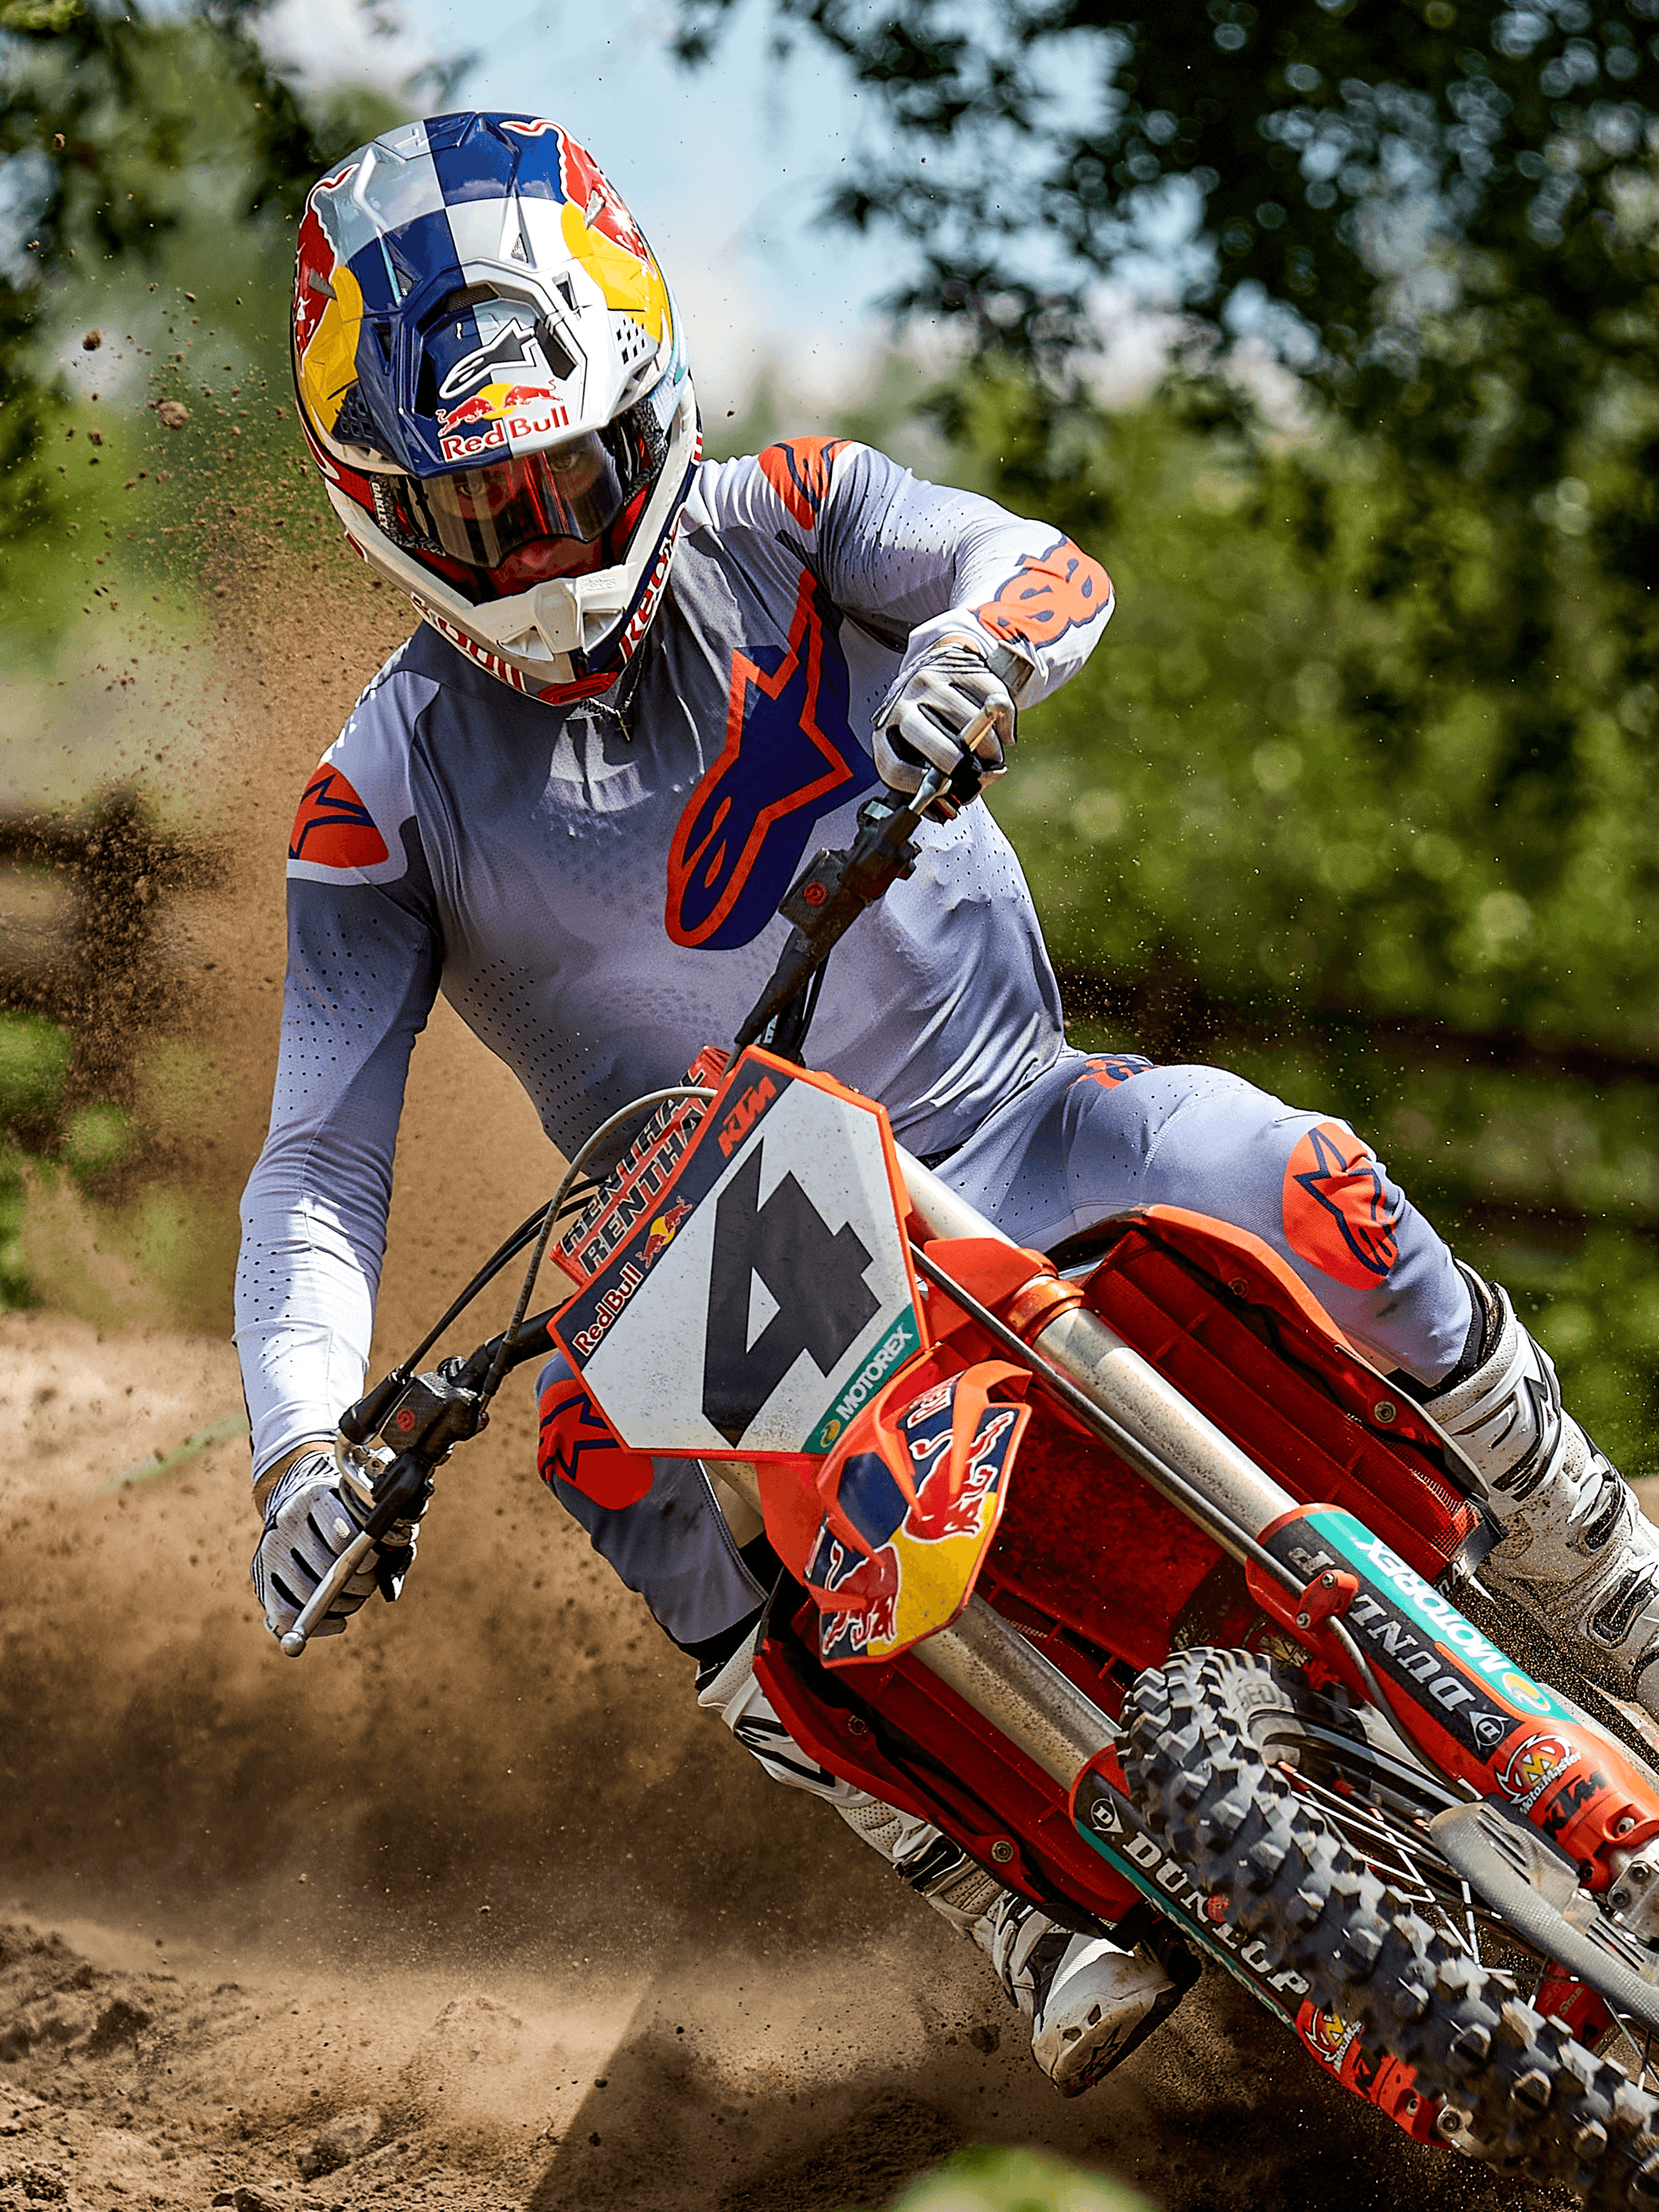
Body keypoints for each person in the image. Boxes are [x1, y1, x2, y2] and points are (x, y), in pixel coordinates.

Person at [241, 111, 1659, 2096]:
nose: (544, 551)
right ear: (377, 505)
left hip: (1020, 1109)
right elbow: (319, 1149)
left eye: (568, 480)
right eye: (483, 517)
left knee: (1296, 1166)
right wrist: (305, 1444)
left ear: (649, 414)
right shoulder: (369, 799)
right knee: (594, 1448)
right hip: (726, 1252)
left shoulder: (795, 510)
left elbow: (1039, 560)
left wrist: (977, 658)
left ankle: (1599, 1552)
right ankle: (985, 1886)